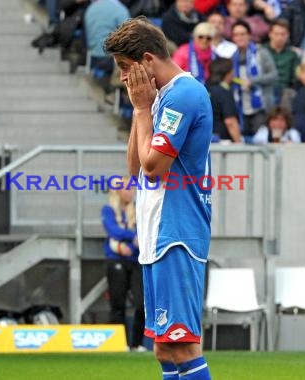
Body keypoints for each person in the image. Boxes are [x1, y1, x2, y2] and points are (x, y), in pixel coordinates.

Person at [105, 16, 212, 380]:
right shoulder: (159, 98)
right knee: (164, 347)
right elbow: (134, 168)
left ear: (147, 60)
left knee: (182, 345)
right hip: (157, 235)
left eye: (125, 67)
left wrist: (139, 110)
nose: (123, 77)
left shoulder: (184, 94)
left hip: (177, 233)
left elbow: (153, 169)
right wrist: (142, 110)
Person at [101, 175, 145, 352]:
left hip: (135, 260)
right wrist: (131, 239)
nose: (130, 192)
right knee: (117, 304)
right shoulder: (108, 209)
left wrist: (129, 243)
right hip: (116, 260)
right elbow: (113, 230)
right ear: (118, 190)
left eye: (132, 188)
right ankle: (120, 344)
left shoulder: (138, 209)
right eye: (127, 188)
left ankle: (137, 343)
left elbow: (143, 233)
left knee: (141, 304)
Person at [231, 20, 278, 141]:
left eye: (243, 34)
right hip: (241, 106)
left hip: (260, 105)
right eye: (236, 35)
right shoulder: (232, 57)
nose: (239, 37)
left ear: (249, 35)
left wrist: (253, 81)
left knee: (261, 141)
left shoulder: (261, 52)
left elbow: (274, 75)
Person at [263, 19, 300, 108]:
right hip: (265, 88)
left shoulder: (292, 55)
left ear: (288, 35)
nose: (280, 37)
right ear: (270, 34)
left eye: (283, 34)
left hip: (284, 90)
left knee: (289, 94)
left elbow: (295, 78)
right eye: (276, 34)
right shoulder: (261, 51)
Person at [208, 58, 242, 143]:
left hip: (206, 139)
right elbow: (230, 121)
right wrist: (239, 144)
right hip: (221, 141)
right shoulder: (224, 91)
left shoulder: (207, 87)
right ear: (227, 73)